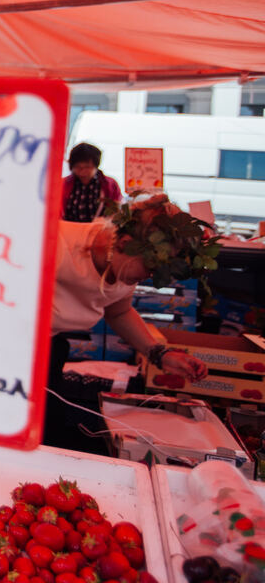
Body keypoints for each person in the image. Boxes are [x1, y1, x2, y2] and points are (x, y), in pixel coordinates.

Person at [46, 191, 215, 450]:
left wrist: (160, 354)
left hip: (48, 351)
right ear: (124, 242)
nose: (151, 278)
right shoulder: (55, 243)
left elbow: (119, 311)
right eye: (151, 269)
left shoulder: (123, 265)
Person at [61, 142, 121, 222]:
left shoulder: (110, 185)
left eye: (87, 167)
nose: (82, 171)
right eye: (77, 167)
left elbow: (116, 210)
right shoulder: (63, 184)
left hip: (100, 231)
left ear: (96, 166)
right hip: (69, 230)